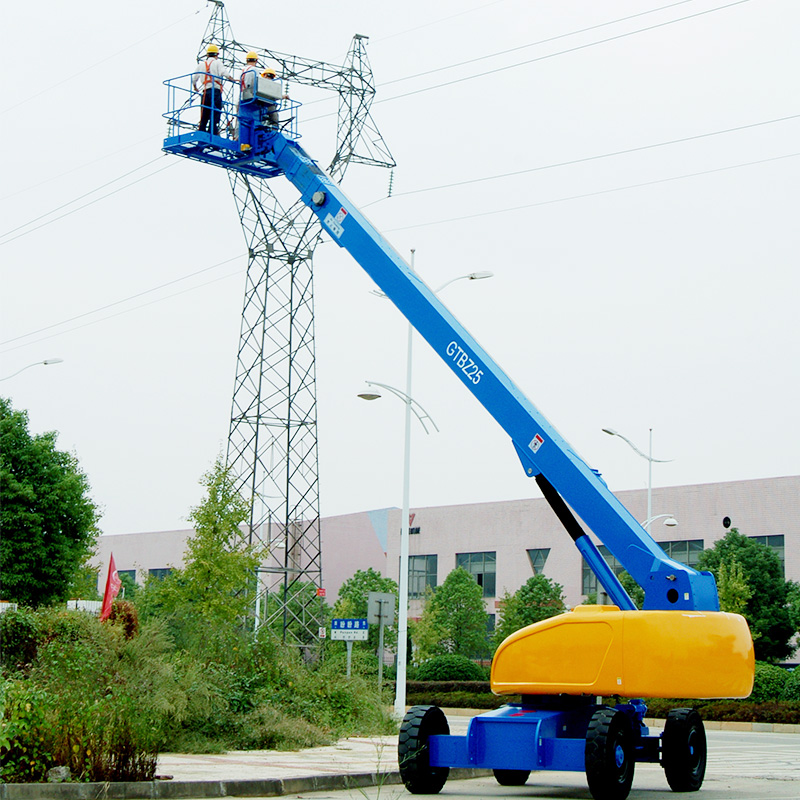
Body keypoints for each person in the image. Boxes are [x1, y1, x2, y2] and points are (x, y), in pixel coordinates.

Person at [193, 44, 231, 136]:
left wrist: (195, 87)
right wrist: (232, 78)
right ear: (217, 54)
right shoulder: (218, 63)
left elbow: (194, 78)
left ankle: (201, 130)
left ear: (207, 54)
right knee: (215, 112)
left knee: (204, 113)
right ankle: (212, 132)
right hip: (216, 91)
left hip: (205, 92)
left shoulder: (201, 65)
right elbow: (223, 72)